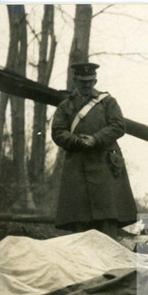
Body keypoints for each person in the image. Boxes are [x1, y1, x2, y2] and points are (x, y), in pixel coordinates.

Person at [51, 62, 137, 238]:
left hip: (105, 166)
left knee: (107, 218)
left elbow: (119, 126)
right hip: (77, 167)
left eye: (90, 81)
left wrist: (96, 139)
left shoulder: (107, 102)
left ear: (95, 80)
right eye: (82, 81)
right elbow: (58, 132)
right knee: (80, 220)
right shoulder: (65, 106)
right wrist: (75, 140)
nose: (87, 85)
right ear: (75, 80)